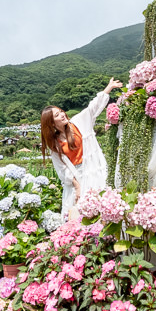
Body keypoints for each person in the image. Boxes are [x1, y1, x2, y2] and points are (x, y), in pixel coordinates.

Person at [41, 78, 123, 218]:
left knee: (102, 205)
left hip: (94, 169)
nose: (62, 114)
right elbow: (62, 169)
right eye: (57, 115)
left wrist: (108, 88)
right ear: (52, 124)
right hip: (76, 177)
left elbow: (93, 107)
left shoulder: (78, 122)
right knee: (79, 214)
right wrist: (77, 186)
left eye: (60, 111)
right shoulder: (54, 144)